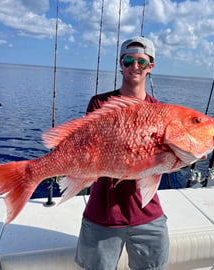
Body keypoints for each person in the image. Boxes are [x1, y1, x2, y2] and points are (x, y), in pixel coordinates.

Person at [75, 36, 169, 270]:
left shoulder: (161, 111)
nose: (135, 67)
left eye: (142, 62)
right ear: (120, 63)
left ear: (151, 66)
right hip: (103, 214)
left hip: (148, 215)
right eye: (128, 61)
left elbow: (160, 162)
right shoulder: (100, 103)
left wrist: (187, 155)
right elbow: (91, 148)